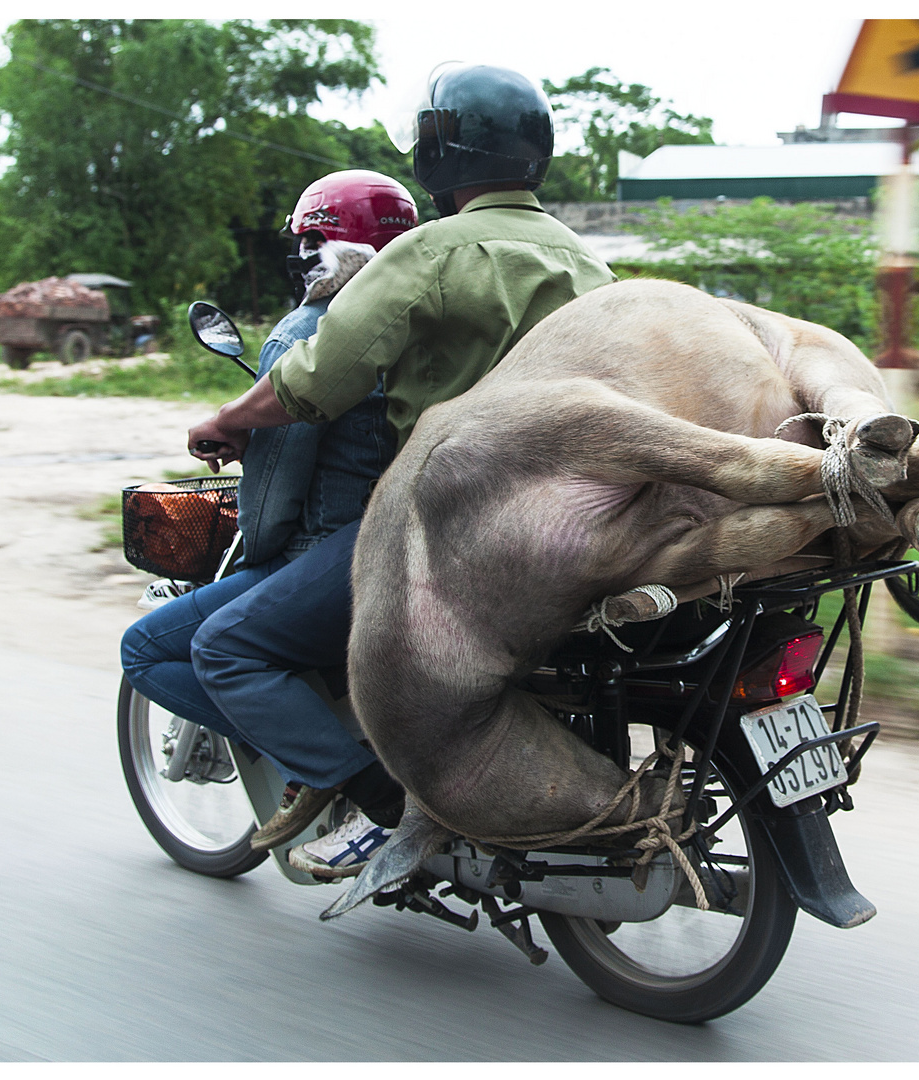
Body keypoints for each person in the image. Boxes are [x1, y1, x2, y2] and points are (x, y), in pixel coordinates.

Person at [184, 63, 616, 880]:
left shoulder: (428, 253)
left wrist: (224, 422)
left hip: (442, 522)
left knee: (226, 645)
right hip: (573, 515)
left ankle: (387, 809)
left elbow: (316, 381)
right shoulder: (587, 265)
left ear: (440, 151)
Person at [120, 169, 418, 830]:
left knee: (147, 649)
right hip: (424, 538)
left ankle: (334, 773)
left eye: (306, 241)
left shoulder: (305, 331)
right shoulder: (423, 327)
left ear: (320, 248)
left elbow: (277, 500)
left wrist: (256, 549)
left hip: (332, 552)